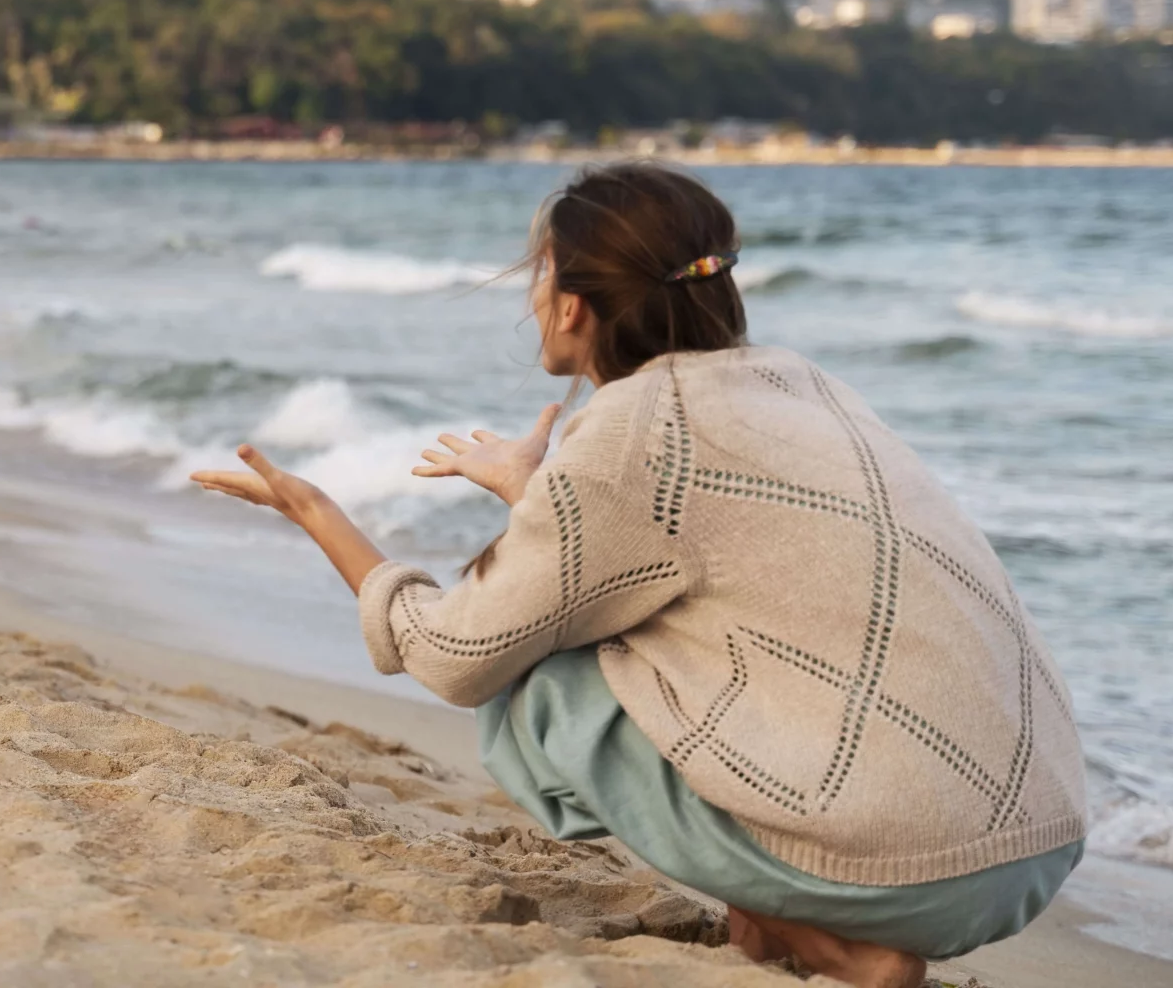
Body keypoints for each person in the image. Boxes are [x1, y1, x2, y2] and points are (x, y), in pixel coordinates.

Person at [192, 162, 1085, 987]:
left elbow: (461, 654)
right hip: (1032, 845)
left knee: (540, 683)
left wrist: (316, 513)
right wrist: (535, 495)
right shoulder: (800, 384)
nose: (534, 296)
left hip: (903, 868)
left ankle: (824, 940)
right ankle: (778, 920)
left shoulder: (632, 434)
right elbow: (686, 568)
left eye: (540, 275)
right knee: (653, 640)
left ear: (574, 303)